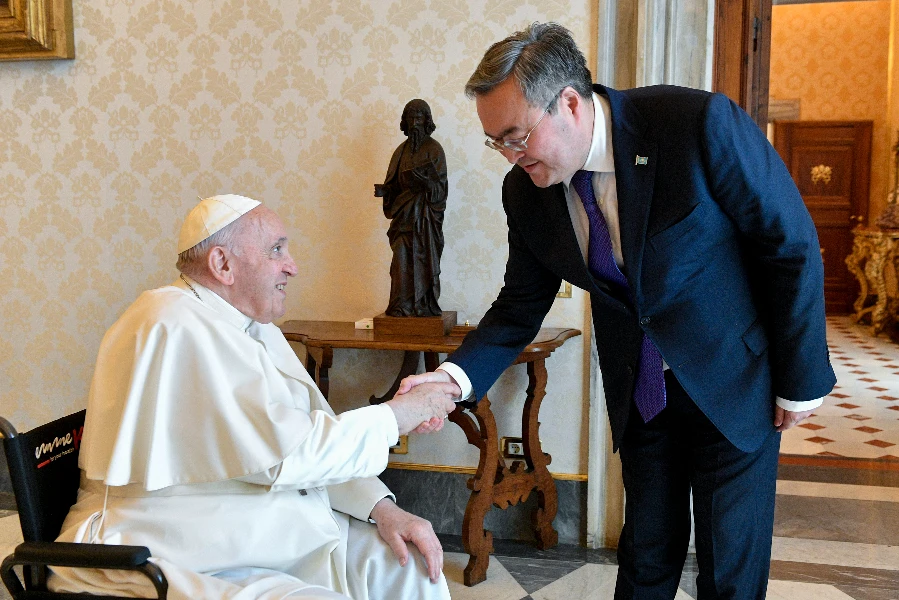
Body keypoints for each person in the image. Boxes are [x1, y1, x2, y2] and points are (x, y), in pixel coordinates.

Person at [401, 23, 835, 599]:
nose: (508, 156)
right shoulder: (526, 190)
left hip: (735, 382)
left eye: (516, 136)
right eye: (496, 142)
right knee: (644, 559)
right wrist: (450, 380)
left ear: (571, 104)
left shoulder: (696, 126)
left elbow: (789, 242)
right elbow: (518, 306)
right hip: (643, 392)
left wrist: (800, 380)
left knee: (731, 571)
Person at [50, 194, 458, 600]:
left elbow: (310, 434)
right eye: (276, 250)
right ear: (222, 264)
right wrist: (395, 416)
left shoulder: (250, 325)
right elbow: (286, 455)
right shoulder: (172, 324)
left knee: (416, 568)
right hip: (189, 550)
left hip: (270, 531)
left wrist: (382, 509)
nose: (292, 266)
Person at [374, 99, 448, 317]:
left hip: (424, 221)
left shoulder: (434, 150)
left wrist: (427, 183)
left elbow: (440, 190)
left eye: (419, 118)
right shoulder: (400, 151)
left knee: (422, 259)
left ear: (426, 121)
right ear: (405, 121)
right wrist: (385, 191)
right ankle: (400, 305)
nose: (414, 123)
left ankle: (423, 304)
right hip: (403, 218)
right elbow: (394, 184)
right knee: (401, 261)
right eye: (410, 118)